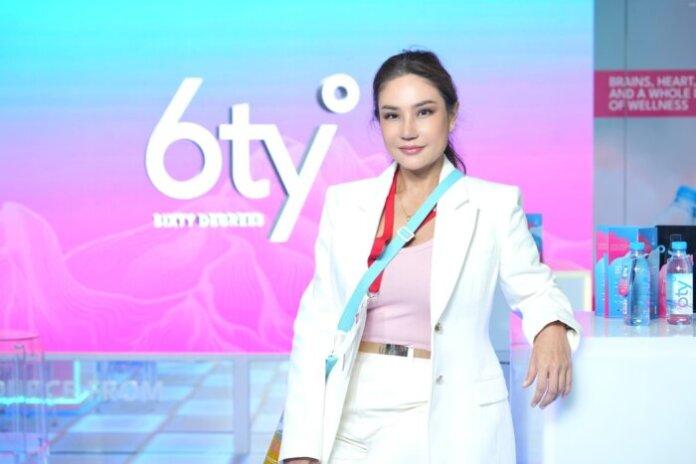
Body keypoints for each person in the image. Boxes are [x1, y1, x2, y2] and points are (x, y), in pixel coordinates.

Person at [279, 50, 581, 464]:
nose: (408, 130)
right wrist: (301, 446)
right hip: (345, 406)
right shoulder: (345, 203)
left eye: (424, 112)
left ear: (451, 116)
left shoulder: (492, 205)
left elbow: (535, 288)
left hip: (434, 408)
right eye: (392, 115)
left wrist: (551, 326)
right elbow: (317, 324)